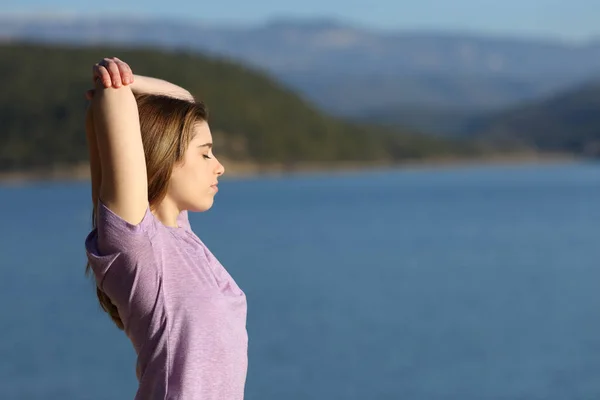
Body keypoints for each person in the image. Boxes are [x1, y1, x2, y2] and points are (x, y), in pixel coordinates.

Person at [84, 57, 248, 399]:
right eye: (205, 154)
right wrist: (116, 86)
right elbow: (114, 98)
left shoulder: (180, 235)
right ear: (162, 155)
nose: (219, 167)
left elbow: (184, 100)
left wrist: (132, 81)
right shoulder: (138, 243)